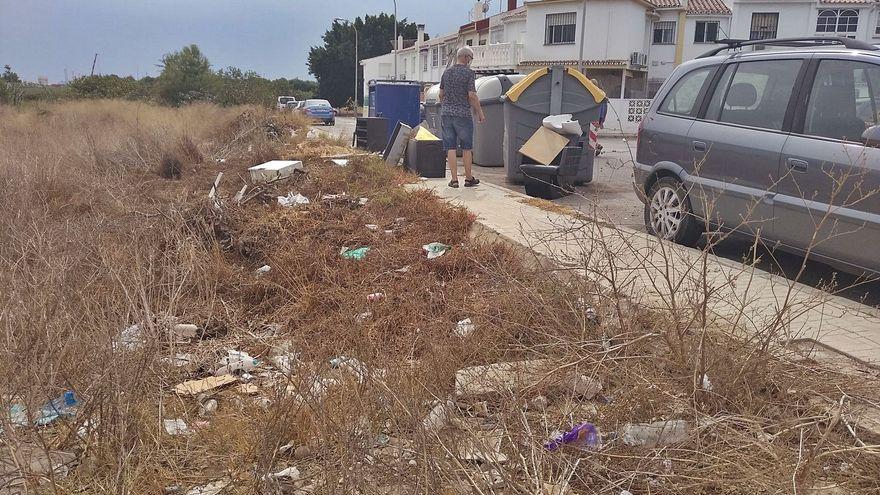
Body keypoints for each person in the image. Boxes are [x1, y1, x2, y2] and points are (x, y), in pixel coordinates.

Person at [439, 46, 485, 188]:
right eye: (470, 58)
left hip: (446, 114)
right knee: (466, 147)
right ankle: (468, 178)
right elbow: (472, 95)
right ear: (465, 57)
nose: (470, 61)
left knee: (450, 147)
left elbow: (441, 94)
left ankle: (454, 180)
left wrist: (445, 106)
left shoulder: (446, 73)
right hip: (463, 114)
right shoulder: (469, 73)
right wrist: (480, 113)